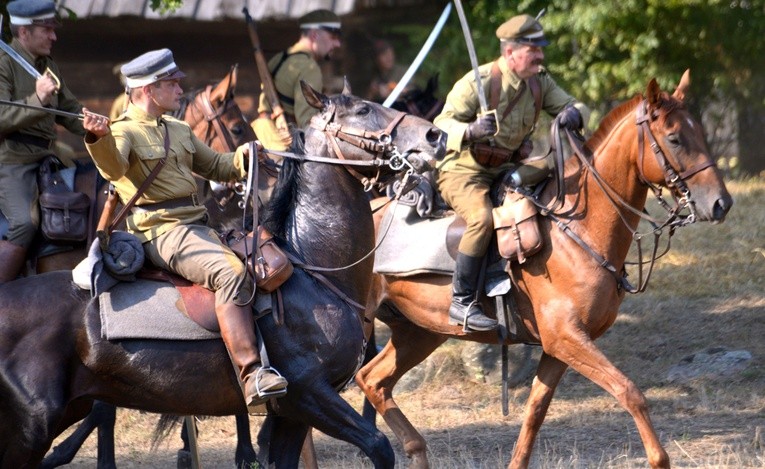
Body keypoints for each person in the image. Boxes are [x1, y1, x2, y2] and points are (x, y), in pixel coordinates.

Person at [81, 48, 288, 410]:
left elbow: (218, 167)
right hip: (161, 231)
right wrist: (98, 139)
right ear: (148, 89)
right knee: (231, 273)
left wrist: (246, 154)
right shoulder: (123, 131)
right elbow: (113, 168)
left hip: (196, 226)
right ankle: (252, 374)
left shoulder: (178, 129)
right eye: (172, 83)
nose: (181, 89)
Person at [433, 13, 590, 332]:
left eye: (540, 49)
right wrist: (471, 130)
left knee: (557, 171)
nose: (541, 55)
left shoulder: (539, 82)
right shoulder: (480, 80)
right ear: (510, 53)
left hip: (507, 168)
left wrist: (574, 114)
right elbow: (440, 125)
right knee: (481, 218)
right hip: (465, 169)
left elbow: (576, 106)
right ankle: (462, 302)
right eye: (534, 50)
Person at [0, 0, 86, 283]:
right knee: (24, 223)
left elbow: (70, 111)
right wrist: (38, 99)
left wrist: (101, 129)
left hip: (47, 158)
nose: (54, 36)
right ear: (24, 32)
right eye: (47, 29)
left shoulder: (48, 66)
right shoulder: (3, 62)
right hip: (12, 160)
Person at [252, 9, 342, 150]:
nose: (338, 44)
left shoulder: (279, 58)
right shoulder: (309, 68)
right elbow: (307, 124)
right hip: (280, 145)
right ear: (314, 35)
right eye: (333, 36)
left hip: (257, 135)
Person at [365, 39, 407, 103]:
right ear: (376, 59)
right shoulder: (373, 77)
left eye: (390, 52)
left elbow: (410, 93)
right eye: (383, 54)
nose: (389, 57)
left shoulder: (403, 72)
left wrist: (390, 92)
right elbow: (366, 103)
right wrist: (374, 92)